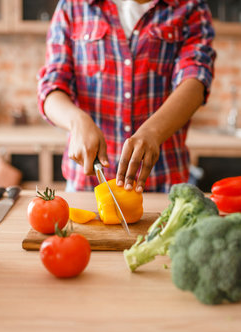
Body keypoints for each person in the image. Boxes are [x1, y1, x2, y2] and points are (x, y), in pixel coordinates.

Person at [38, 0, 216, 193]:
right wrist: (76, 121)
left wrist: (154, 132)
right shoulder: (73, 5)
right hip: (87, 184)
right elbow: (51, 86)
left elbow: (196, 79)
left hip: (163, 182)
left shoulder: (190, 6)